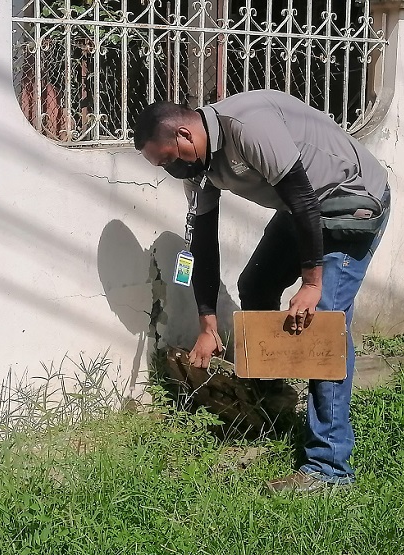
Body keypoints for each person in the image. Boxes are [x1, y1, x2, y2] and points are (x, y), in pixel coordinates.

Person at [133, 89, 390, 493]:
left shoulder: (247, 125)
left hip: (350, 200)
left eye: (167, 158)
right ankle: (273, 400)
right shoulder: (198, 166)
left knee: (323, 325)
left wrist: (312, 284)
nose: (170, 169)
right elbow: (203, 243)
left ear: (184, 134)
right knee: (255, 287)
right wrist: (207, 324)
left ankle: (330, 468)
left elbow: (303, 198)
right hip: (301, 207)